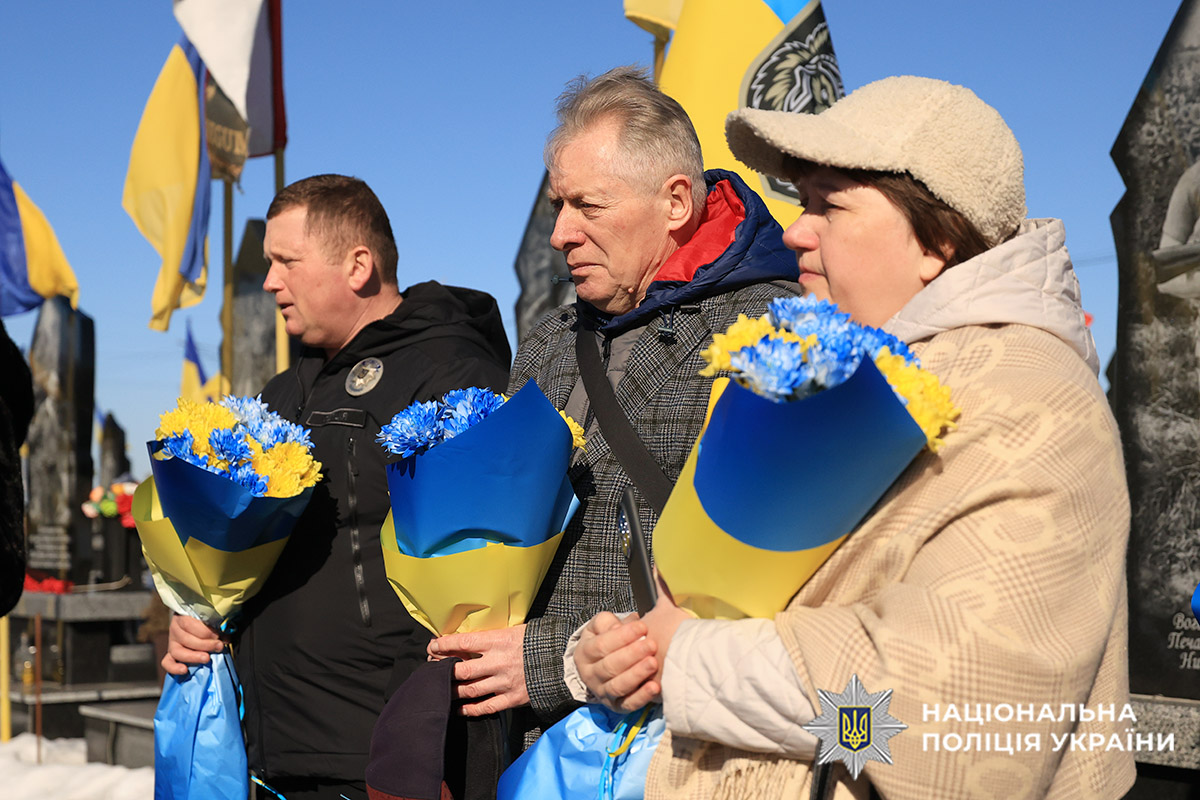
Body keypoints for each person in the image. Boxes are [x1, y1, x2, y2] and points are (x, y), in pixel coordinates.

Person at [573, 76, 1134, 799]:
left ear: (936, 238)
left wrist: (682, 662)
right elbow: (731, 604)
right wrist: (626, 648)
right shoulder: (850, 368)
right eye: (800, 201)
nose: (796, 229)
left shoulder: (1033, 400)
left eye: (828, 204)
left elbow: (948, 727)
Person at [425, 66, 802, 751]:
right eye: (556, 208)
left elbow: (772, 586)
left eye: (587, 207)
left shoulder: (779, 329)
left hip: (688, 749)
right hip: (532, 745)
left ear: (676, 202)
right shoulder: (546, 342)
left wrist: (547, 663)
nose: (560, 234)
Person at [163, 174, 512, 799]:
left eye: (286, 262)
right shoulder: (284, 391)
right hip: (271, 753)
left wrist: (415, 753)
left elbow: (470, 587)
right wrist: (199, 618)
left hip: (378, 757)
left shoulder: (452, 373)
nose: (271, 281)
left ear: (358, 265)